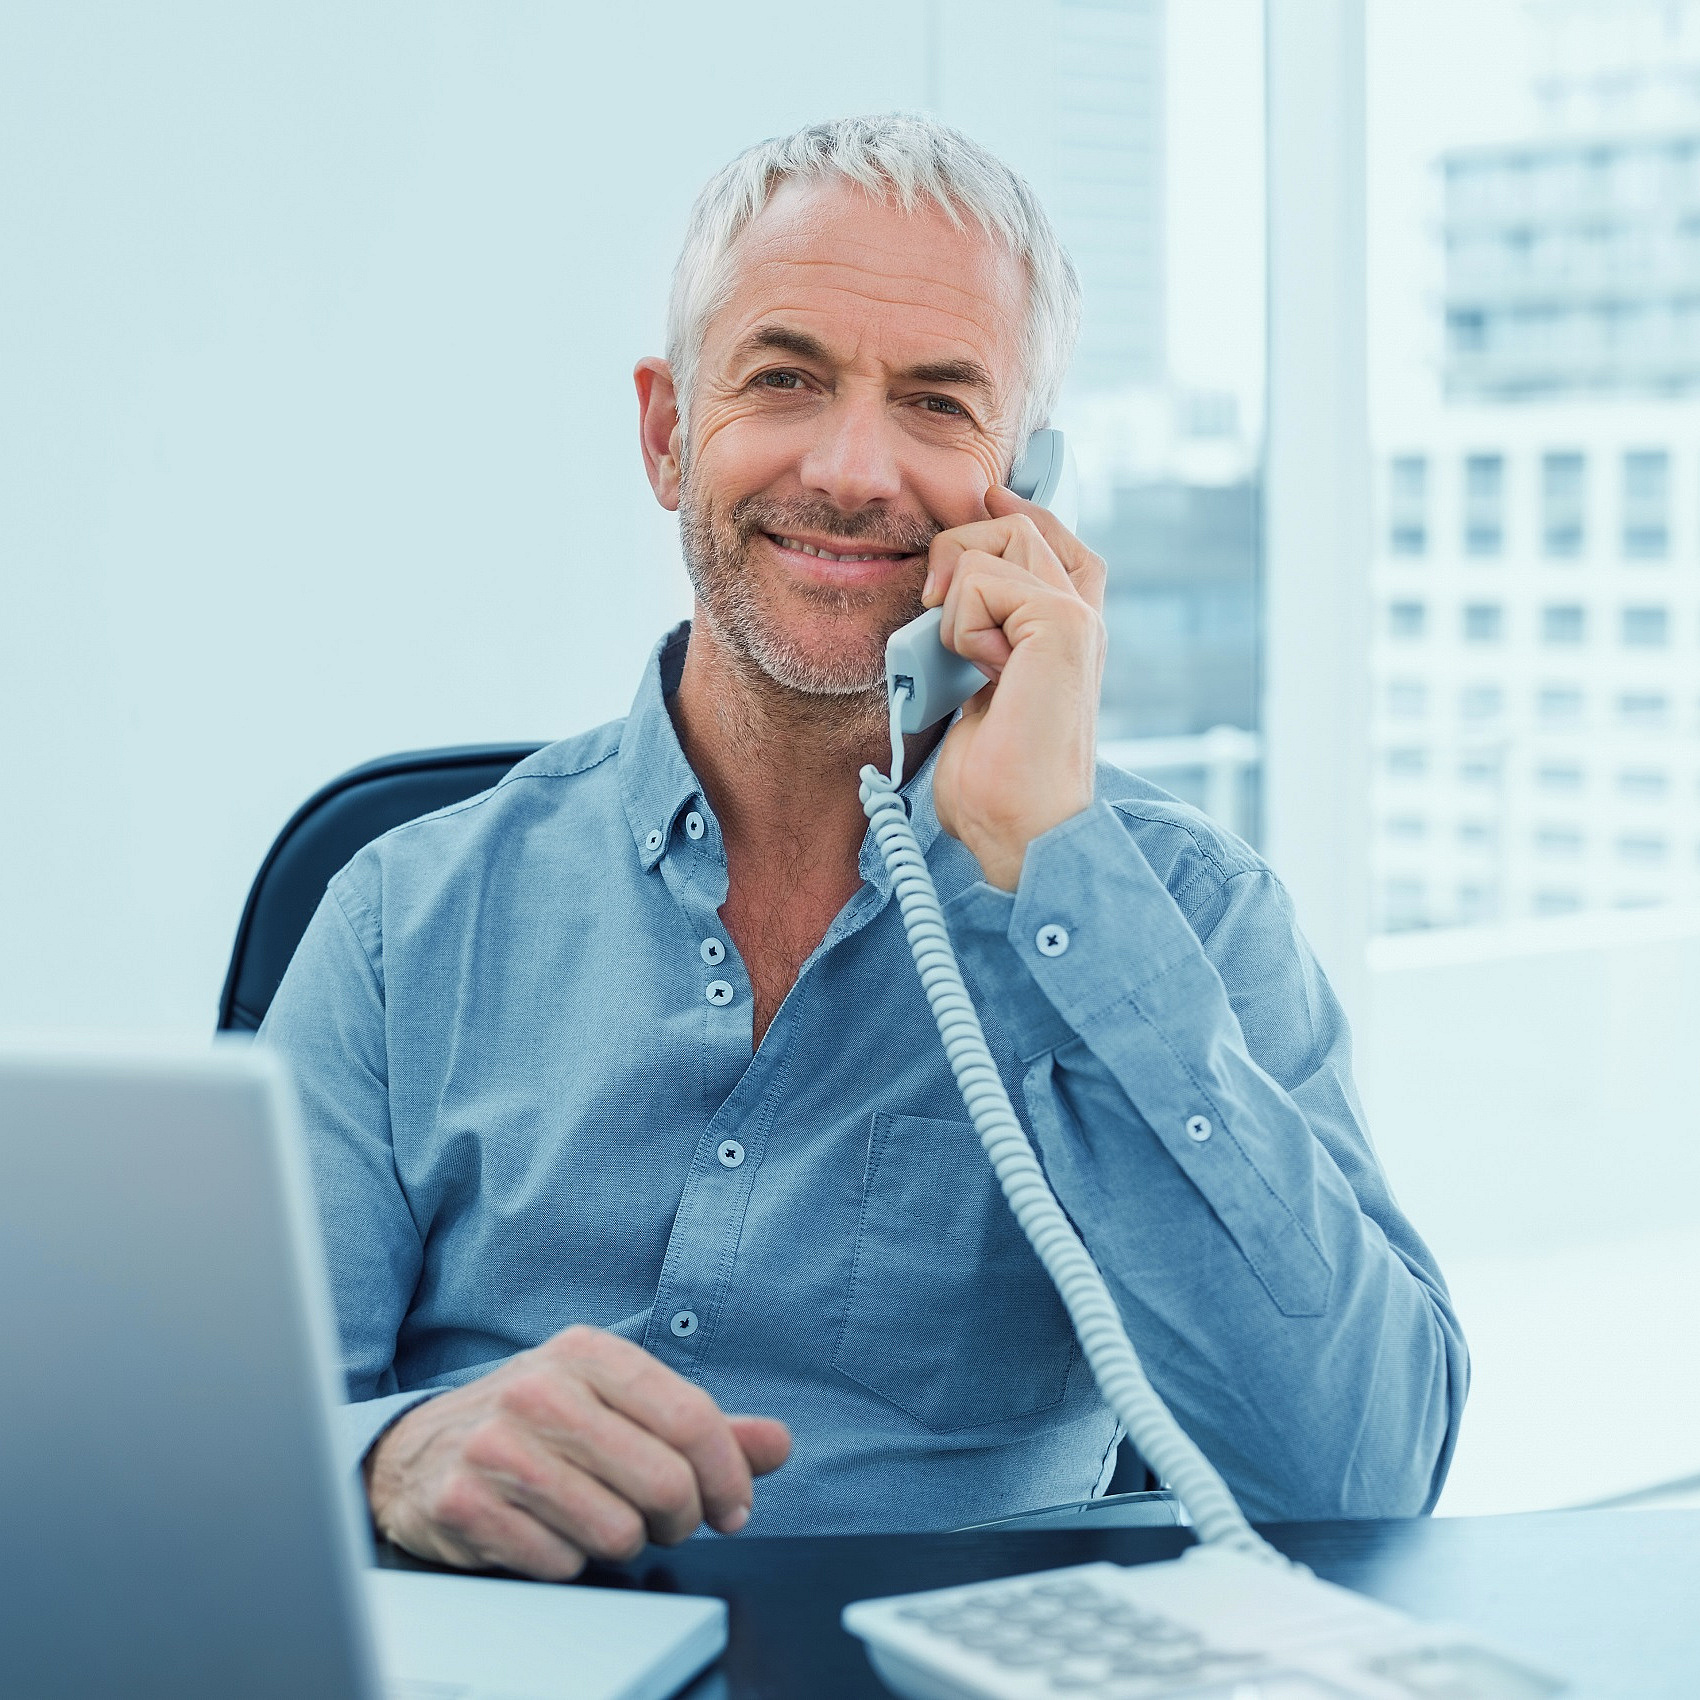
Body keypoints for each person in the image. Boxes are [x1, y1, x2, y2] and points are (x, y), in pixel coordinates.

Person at [262, 114, 1467, 1581]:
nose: (851, 469)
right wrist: (391, 1458)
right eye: (784, 379)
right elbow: (204, 1450)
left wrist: (1051, 867)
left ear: (1026, 485)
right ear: (667, 435)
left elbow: (1368, 1478)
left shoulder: (1187, 916)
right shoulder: (401, 919)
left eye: (938, 404)